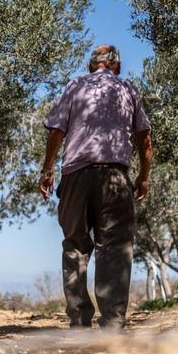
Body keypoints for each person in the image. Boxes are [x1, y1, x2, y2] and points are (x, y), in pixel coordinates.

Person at [39, 44, 153, 329]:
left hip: (75, 176)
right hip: (115, 176)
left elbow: (56, 131)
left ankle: (79, 322)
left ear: (91, 65)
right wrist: (143, 176)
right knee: (114, 248)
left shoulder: (75, 85)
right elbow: (144, 138)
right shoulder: (128, 89)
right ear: (117, 66)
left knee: (75, 246)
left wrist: (47, 169)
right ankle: (113, 324)